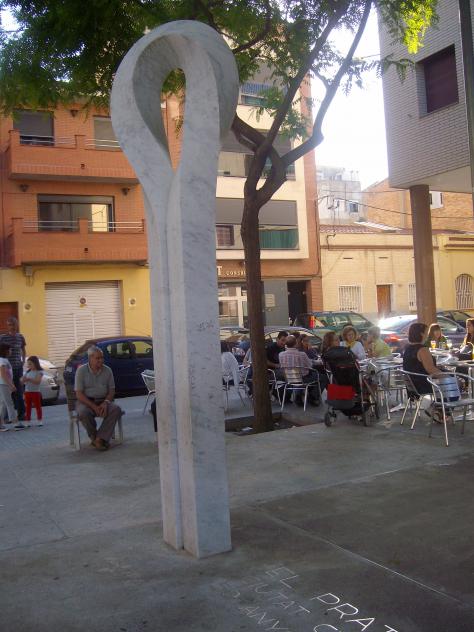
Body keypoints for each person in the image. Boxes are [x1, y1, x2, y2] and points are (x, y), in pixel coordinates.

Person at [74, 345, 123, 451]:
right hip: (86, 402)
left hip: (103, 400)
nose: (101, 360)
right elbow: (79, 394)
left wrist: (106, 402)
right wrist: (94, 407)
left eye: (102, 358)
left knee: (116, 409)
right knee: (83, 413)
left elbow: (111, 390)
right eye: (97, 358)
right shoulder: (81, 371)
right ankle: (94, 437)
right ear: (90, 358)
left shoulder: (107, 370)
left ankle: (99, 438)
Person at [278, 335, 320, 405]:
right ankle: (312, 397)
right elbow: (310, 365)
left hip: (288, 379)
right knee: (319, 376)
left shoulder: (280, 354)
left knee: (309, 376)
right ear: (296, 343)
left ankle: (300, 396)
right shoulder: (302, 354)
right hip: (302, 379)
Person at [402, 322, 440, 395]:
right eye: (426, 332)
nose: (427, 335)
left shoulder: (407, 348)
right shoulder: (422, 350)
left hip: (412, 386)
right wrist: (448, 376)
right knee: (455, 381)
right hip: (425, 385)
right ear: (422, 334)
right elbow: (431, 369)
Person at [0, 317, 26, 421]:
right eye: (10, 325)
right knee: (7, 394)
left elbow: (23, 349)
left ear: (17, 325)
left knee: (19, 392)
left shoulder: (20, 337)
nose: (12, 327)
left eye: (14, 324)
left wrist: (23, 361)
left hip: (18, 368)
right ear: (7, 326)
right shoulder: (3, 337)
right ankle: (6, 417)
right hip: (6, 369)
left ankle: (21, 414)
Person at [21, 355, 43, 426]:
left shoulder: (39, 371)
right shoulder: (27, 372)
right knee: (28, 407)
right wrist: (22, 380)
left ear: (35, 363)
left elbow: (37, 381)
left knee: (38, 407)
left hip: (36, 392)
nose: (29, 365)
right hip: (27, 392)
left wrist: (29, 379)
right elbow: (21, 381)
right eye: (28, 364)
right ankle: (28, 421)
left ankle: (39, 420)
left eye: (30, 364)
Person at [0, 343, 18, 431]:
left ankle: (0, 424)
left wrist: (11, 383)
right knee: (9, 403)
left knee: (3, 404)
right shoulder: (2, 361)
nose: (11, 351)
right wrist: (10, 385)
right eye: (10, 349)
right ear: (5, 351)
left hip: (4, 384)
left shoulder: (4, 360)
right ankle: (15, 423)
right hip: (4, 384)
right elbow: (3, 374)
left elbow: (8, 374)